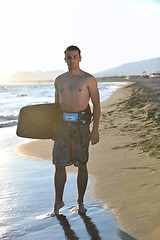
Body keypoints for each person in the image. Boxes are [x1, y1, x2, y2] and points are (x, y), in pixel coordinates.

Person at [52, 45, 100, 215]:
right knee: (59, 163)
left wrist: (95, 130)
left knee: (82, 163)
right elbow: (56, 106)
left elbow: (96, 105)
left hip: (81, 126)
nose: (72, 60)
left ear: (80, 58)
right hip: (62, 126)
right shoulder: (59, 80)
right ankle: (58, 201)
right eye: (69, 57)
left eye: (75, 57)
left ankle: (80, 201)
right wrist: (52, 128)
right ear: (64, 59)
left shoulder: (89, 79)